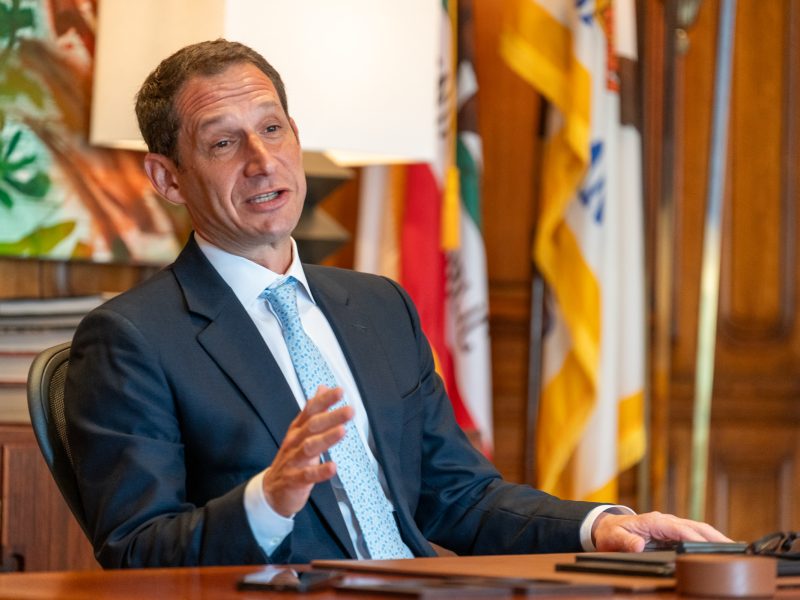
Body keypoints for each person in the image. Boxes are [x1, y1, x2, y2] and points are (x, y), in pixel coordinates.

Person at [64, 39, 730, 568]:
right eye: (223, 142)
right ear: (167, 178)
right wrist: (268, 500)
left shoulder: (377, 306)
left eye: (272, 128)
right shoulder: (133, 338)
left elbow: (458, 496)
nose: (263, 160)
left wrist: (600, 526)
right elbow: (136, 550)